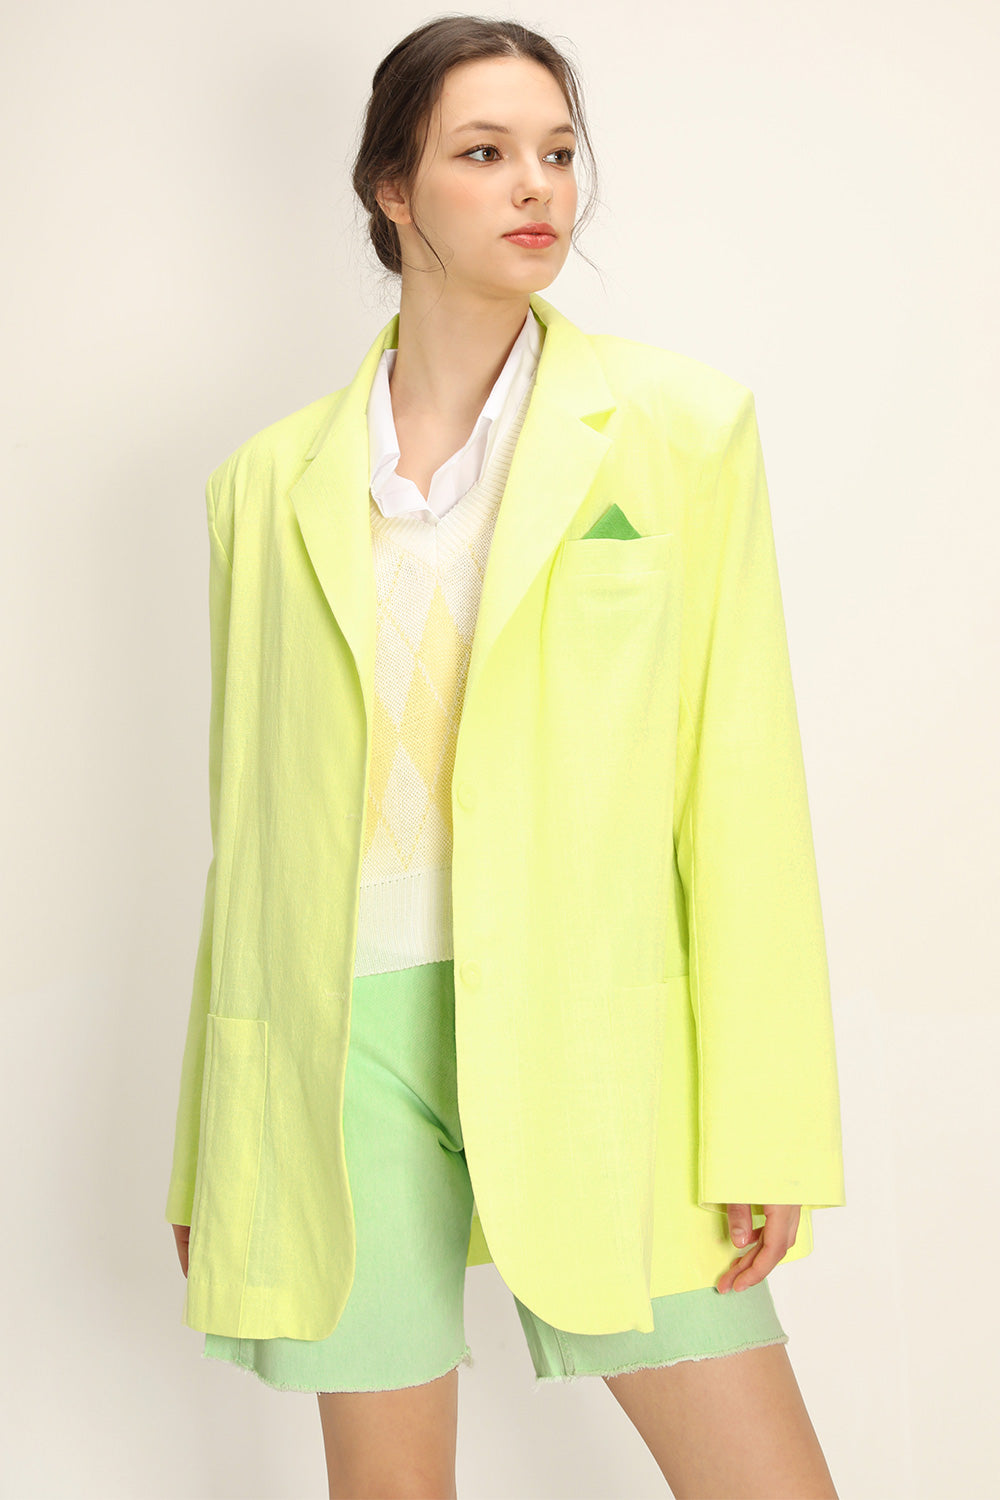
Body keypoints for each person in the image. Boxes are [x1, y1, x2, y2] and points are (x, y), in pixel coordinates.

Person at [167, 15, 845, 1500]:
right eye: (484, 153)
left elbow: (741, 791)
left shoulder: (682, 431)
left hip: (601, 1040)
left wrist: (765, 1118)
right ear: (392, 188)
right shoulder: (263, 488)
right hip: (336, 1050)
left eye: (556, 151)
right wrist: (212, 1141)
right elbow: (250, 835)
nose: (538, 186)